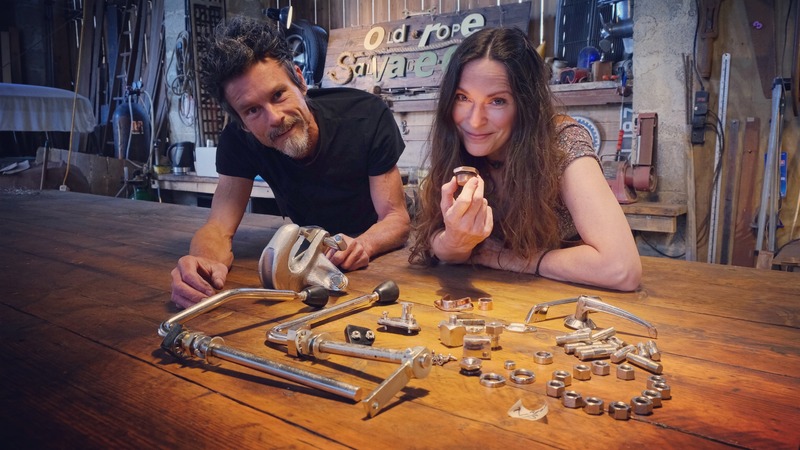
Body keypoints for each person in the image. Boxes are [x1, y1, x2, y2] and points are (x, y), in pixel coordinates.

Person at [171, 16, 410, 308]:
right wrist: (202, 263)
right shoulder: (239, 140)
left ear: (300, 80)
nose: (274, 118)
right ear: (242, 123)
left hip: (381, 254)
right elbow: (218, 228)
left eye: (278, 94)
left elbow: (396, 218)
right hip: (309, 259)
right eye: (252, 110)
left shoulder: (366, 116)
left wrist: (364, 244)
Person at [409, 27, 641, 291]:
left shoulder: (561, 142)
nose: (474, 121)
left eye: (497, 101)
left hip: (562, 301)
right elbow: (438, 244)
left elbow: (621, 269)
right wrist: (455, 240)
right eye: (463, 98)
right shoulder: (456, 146)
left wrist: (507, 259)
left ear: (525, 104)